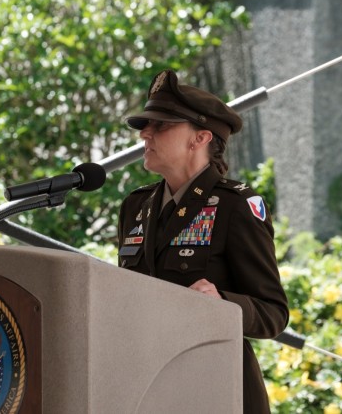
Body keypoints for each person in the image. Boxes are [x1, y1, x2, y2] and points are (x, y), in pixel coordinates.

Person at [117, 69, 289, 414]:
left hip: (217, 387)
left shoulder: (235, 205)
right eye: (145, 125)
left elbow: (274, 313)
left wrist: (222, 302)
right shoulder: (136, 205)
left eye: (161, 125)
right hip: (147, 387)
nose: (145, 134)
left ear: (200, 138)